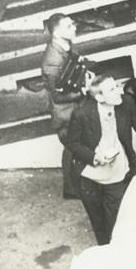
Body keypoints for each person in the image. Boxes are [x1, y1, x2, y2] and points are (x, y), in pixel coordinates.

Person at [67, 74, 136, 245]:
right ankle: (105, 251)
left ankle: (117, 248)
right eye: (112, 89)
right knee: (98, 220)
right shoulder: (82, 113)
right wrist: (94, 157)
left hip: (116, 171)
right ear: (99, 97)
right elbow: (72, 143)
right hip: (88, 175)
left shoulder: (127, 103)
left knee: (116, 217)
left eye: (117, 86)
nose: (119, 91)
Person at [41, 13, 93, 199]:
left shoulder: (65, 46)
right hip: (65, 113)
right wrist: (83, 91)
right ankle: (71, 189)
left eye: (73, 24)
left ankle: (73, 187)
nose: (74, 28)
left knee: (74, 147)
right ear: (56, 33)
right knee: (72, 147)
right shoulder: (52, 61)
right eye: (69, 26)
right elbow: (57, 95)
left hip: (72, 109)